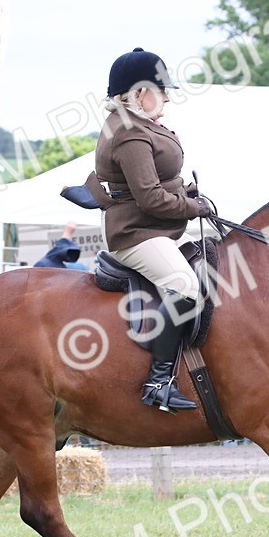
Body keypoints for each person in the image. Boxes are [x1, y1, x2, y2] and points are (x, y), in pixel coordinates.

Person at [90, 47, 214, 412]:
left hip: (158, 229)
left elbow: (159, 181)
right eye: (161, 91)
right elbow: (150, 199)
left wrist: (187, 192)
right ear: (139, 92)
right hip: (137, 234)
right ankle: (158, 383)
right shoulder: (129, 133)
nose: (167, 98)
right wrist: (194, 207)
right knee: (184, 285)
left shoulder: (140, 124)